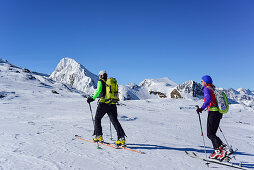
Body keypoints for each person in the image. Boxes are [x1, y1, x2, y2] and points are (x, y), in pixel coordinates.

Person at [87, 70, 126, 146]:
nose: (99, 77)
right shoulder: (110, 83)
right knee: (115, 120)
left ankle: (99, 136)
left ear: (101, 76)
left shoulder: (100, 82)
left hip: (103, 104)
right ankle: (121, 138)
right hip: (112, 104)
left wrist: (92, 98)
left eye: (99, 75)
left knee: (97, 118)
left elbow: (98, 91)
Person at [196, 75, 230, 160]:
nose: (201, 83)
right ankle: (219, 150)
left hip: (213, 113)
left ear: (206, 82)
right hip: (218, 113)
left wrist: (201, 108)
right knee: (212, 133)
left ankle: (221, 149)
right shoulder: (213, 89)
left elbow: (207, 101)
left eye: (202, 81)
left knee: (210, 134)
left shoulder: (207, 89)